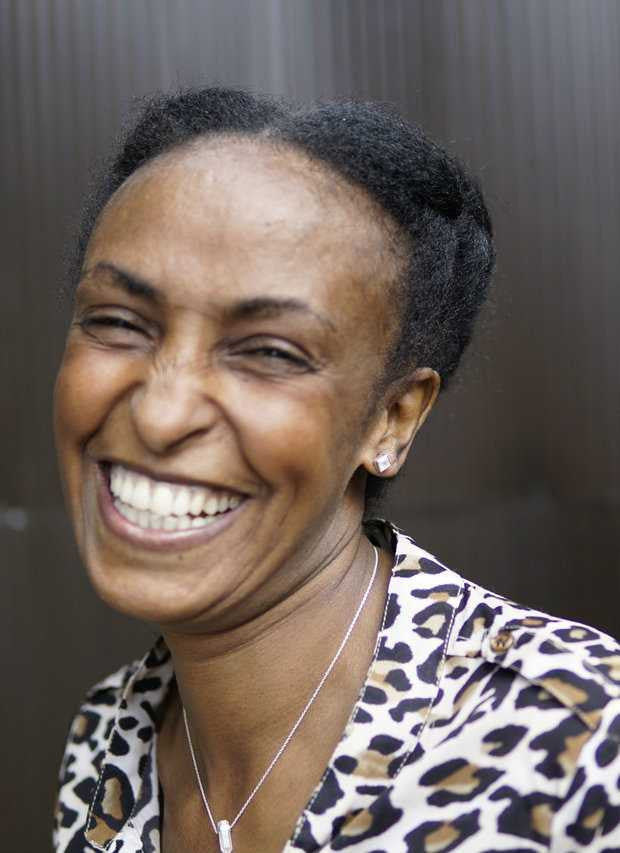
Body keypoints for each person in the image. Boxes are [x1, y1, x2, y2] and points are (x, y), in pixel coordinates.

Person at [52, 87, 620, 853]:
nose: (160, 413)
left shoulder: (578, 738)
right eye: (118, 322)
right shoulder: (106, 744)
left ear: (393, 418)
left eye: (269, 351)